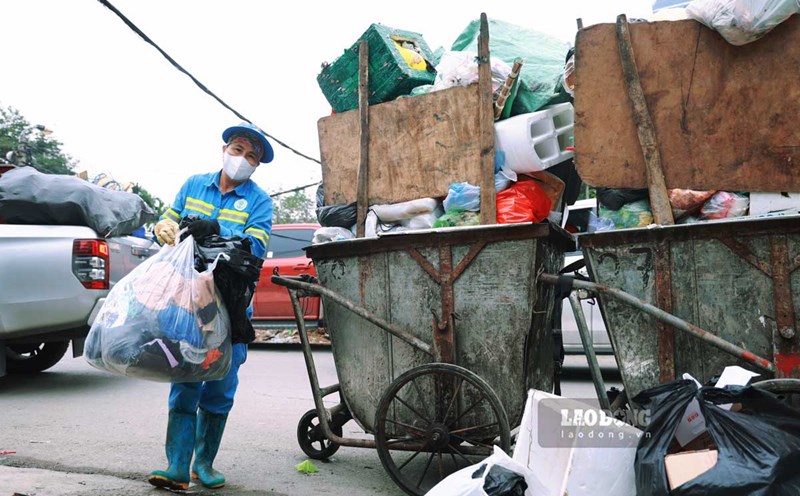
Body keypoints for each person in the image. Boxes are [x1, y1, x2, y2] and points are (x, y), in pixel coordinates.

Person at [149, 122, 274, 490]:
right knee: (186, 383)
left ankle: (203, 463)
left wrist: (214, 228)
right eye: (238, 149)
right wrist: (164, 226)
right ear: (224, 150)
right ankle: (176, 466)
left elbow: (254, 248)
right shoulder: (193, 185)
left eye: (251, 156)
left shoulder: (259, 201)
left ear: (257, 165)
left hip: (231, 308)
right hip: (188, 303)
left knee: (220, 388)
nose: (243, 159)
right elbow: (171, 217)